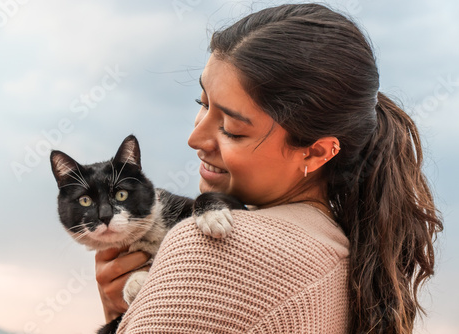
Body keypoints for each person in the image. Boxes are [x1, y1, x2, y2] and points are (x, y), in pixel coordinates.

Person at [95, 3, 443, 333]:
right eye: (202, 104)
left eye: (231, 129)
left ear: (316, 152)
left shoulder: (209, 248)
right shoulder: (352, 260)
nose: (195, 138)